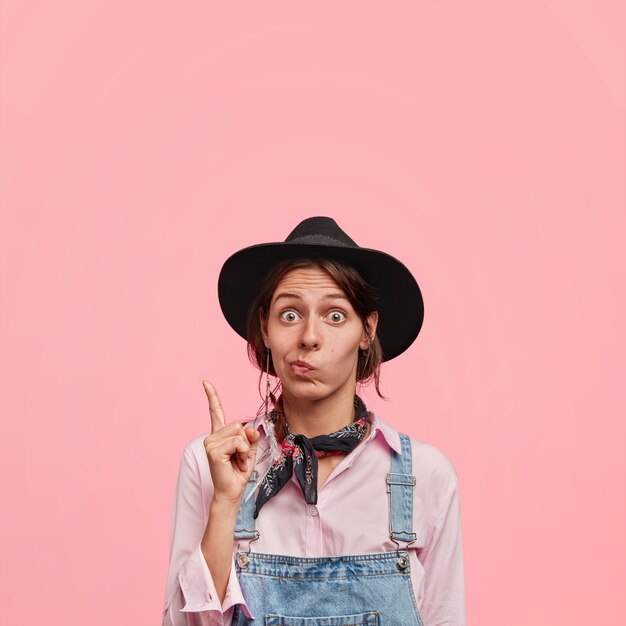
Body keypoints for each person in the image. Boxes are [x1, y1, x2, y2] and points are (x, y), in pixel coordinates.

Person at [162, 216, 466, 625]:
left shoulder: (426, 476)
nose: (309, 336)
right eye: (289, 314)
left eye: (335, 315)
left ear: (367, 330)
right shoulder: (208, 464)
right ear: (266, 329)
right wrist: (225, 505)